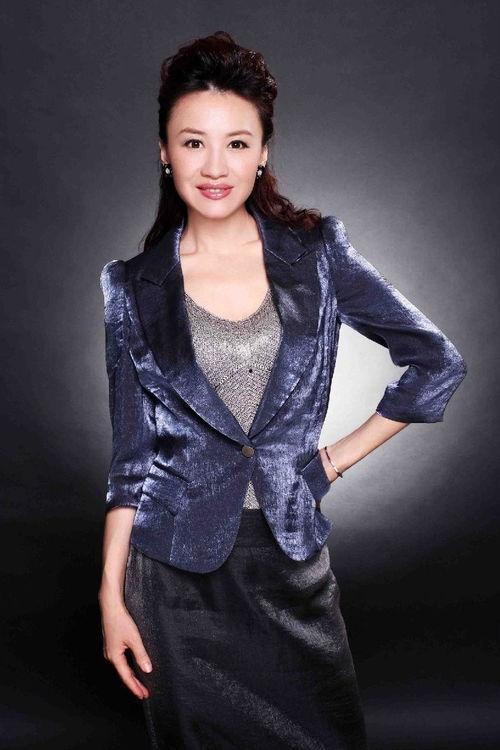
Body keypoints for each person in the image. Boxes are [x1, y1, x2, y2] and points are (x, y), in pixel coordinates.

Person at [97, 31, 467, 750]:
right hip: (172, 579)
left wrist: (328, 463)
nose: (215, 166)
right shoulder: (131, 287)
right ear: (165, 151)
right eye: (194, 143)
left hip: (290, 560)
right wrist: (111, 597)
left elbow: (437, 362)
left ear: (263, 151)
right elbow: (131, 462)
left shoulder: (317, 255)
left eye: (237, 143)